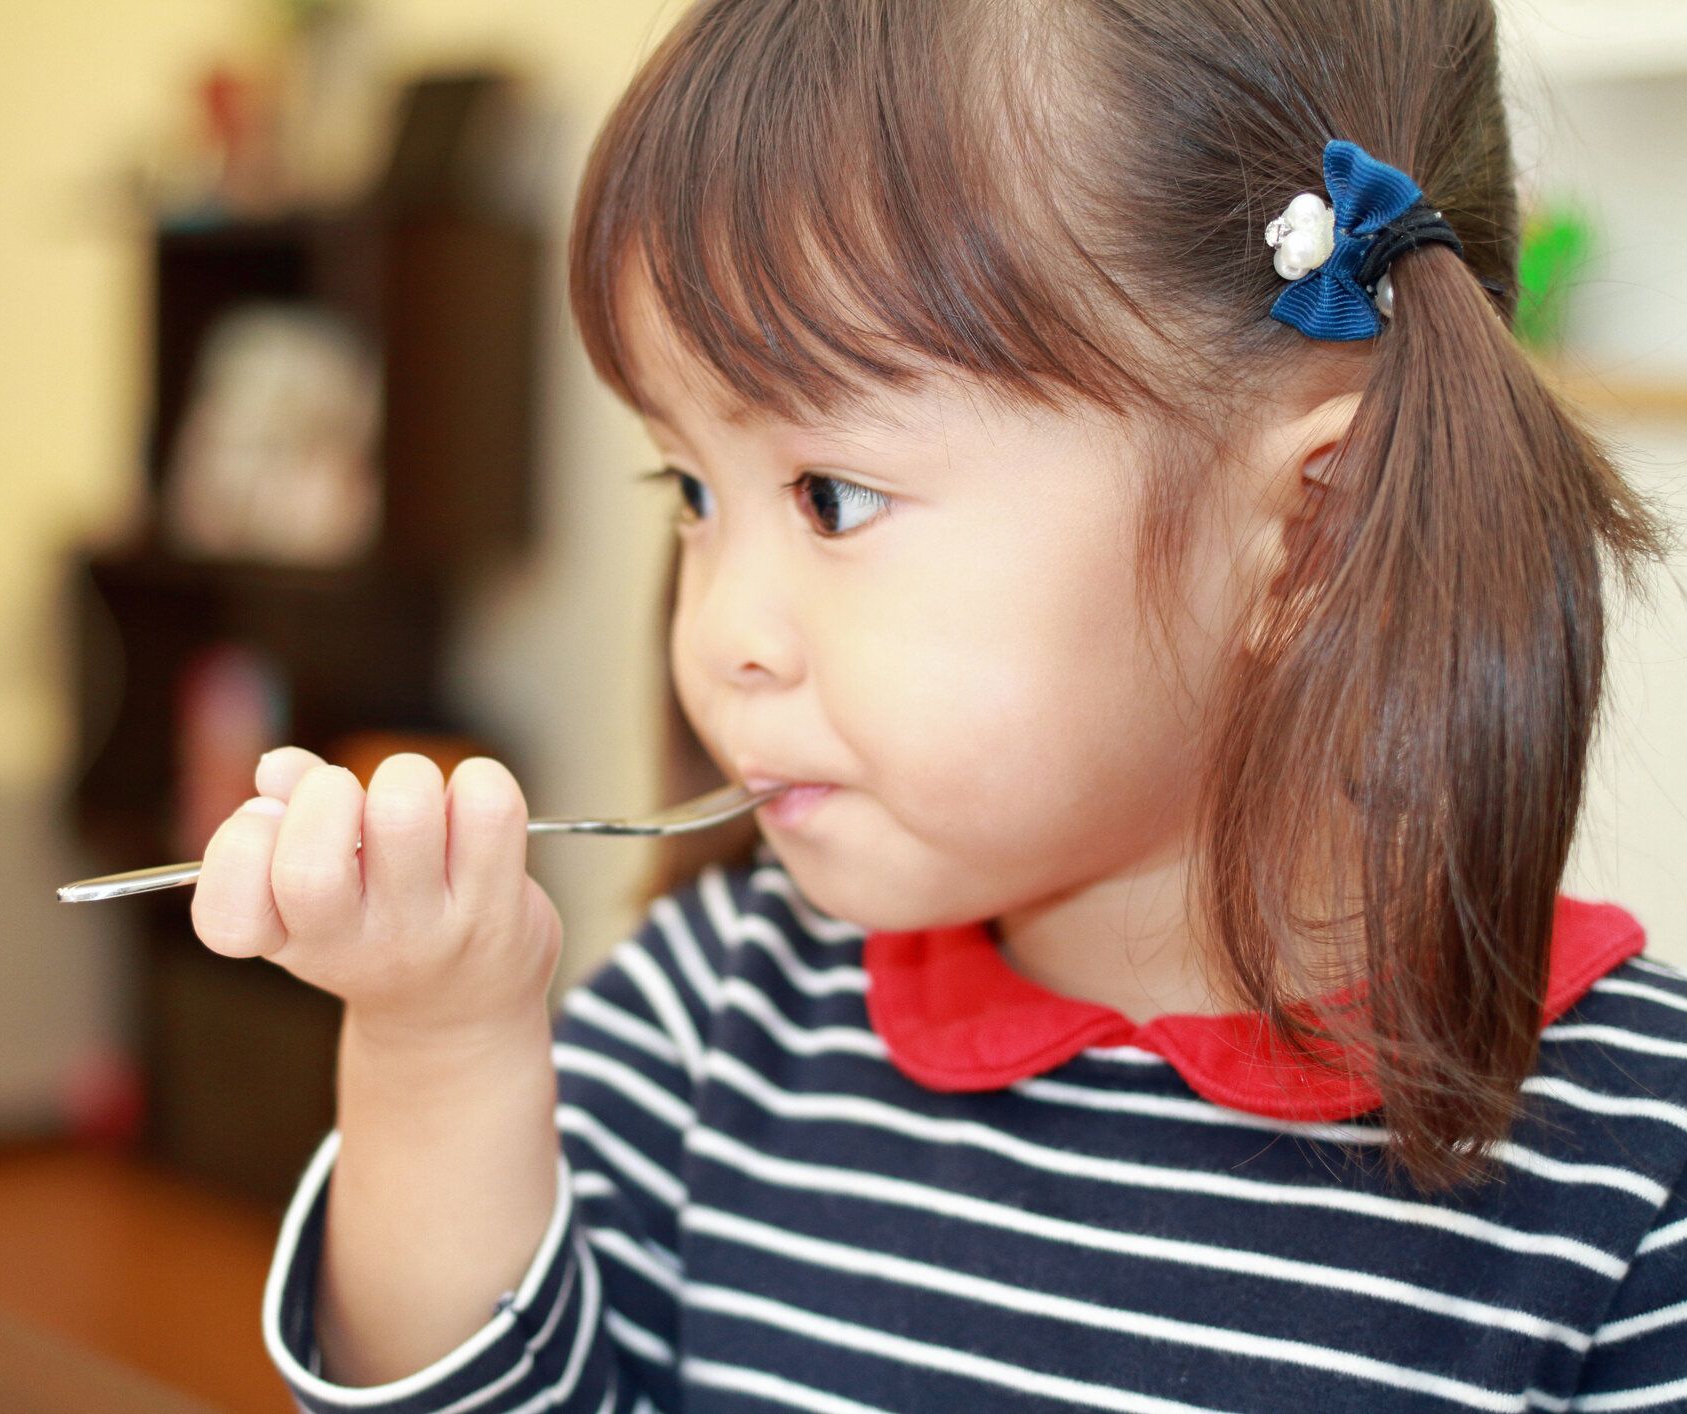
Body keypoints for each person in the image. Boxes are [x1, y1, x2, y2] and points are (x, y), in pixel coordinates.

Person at [186, 1, 1687, 1408]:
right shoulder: (714, 1013)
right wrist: (440, 1049)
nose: (719, 635)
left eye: (830, 495)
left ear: (1315, 529)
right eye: (693, 490)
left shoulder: (1631, 1191)